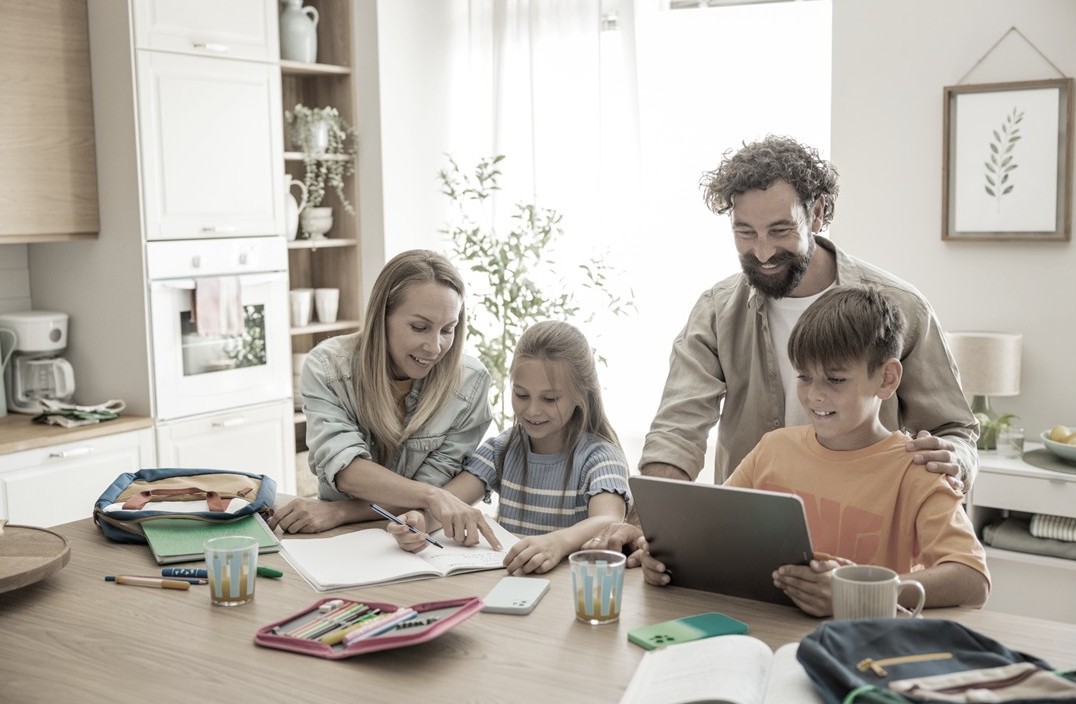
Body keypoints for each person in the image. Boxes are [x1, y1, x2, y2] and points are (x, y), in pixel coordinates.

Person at [592, 135, 978, 557]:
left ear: (817, 214)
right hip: (749, 544)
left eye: (779, 230)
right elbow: (677, 429)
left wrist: (952, 458)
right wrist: (650, 520)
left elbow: (953, 429)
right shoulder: (717, 311)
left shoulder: (902, 307)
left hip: (861, 551)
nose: (762, 251)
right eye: (745, 232)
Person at [642, 285, 991, 616]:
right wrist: (666, 559)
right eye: (804, 377)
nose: (815, 395)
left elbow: (972, 579)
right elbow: (710, 535)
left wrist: (857, 592)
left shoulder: (917, 468)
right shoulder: (772, 449)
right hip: (767, 631)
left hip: (858, 648)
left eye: (835, 380)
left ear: (886, 379)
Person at [269, 249, 499, 547]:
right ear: (382, 317)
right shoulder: (327, 368)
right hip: (337, 540)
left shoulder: (470, 382)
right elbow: (347, 470)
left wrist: (339, 511)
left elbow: (432, 484)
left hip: (410, 535)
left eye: (448, 329)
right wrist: (432, 497)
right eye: (419, 327)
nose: (435, 347)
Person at [388, 320, 632, 575]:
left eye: (550, 399)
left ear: (581, 395)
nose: (533, 410)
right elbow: (447, 505)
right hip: (511, 581)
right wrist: (418, 522)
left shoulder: (600, 457)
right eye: (521, 394)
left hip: (569, 588)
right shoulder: (501, 449)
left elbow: (609, 520)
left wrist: (558, 542)